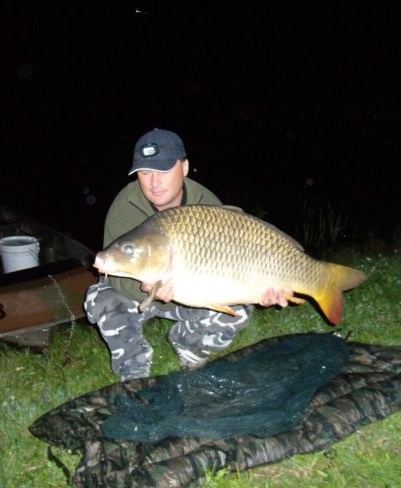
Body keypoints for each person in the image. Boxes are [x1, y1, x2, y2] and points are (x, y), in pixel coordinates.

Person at [84, 128, 292, 381]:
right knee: (100, 297)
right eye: (145, 172)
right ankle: (133, 368)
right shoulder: (125, 205)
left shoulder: (207, 203)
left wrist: (262, 291)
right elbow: (116, 276)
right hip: (141, 292)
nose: (153, 182)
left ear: (184, 167)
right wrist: (152, 289)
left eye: (163, 170)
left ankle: (189, 345)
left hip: (195, 290)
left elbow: (233, 268)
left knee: (239, 308)